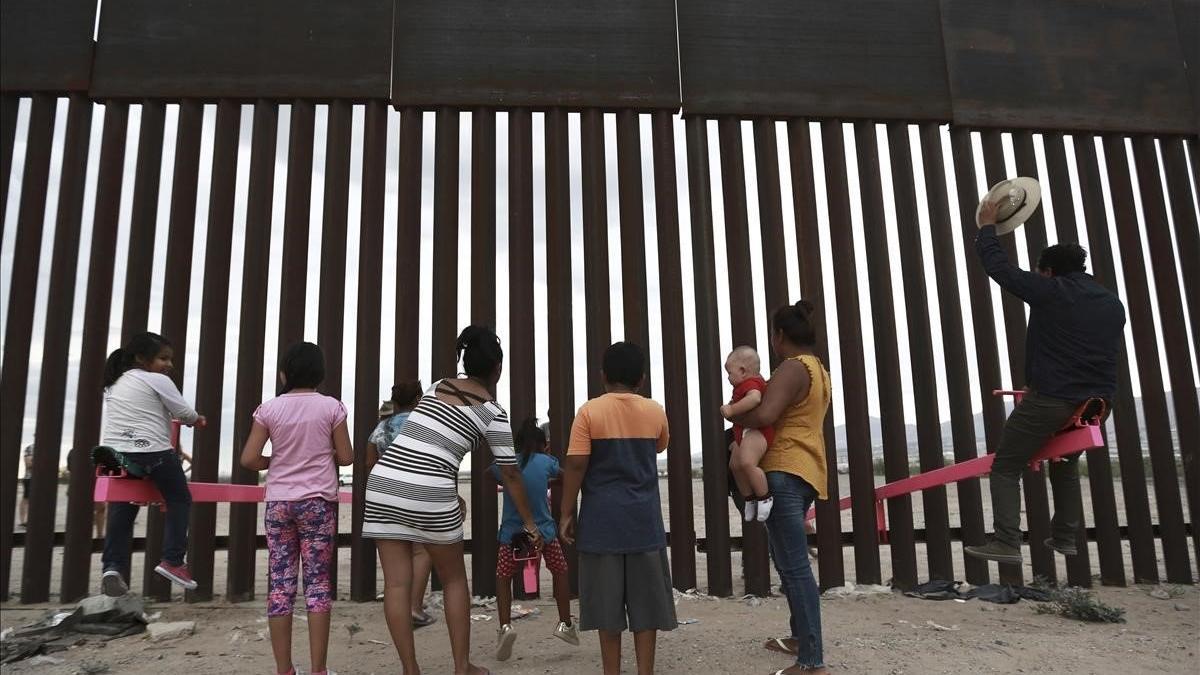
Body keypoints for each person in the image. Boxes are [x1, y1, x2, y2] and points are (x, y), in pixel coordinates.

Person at [363, 325, 542, 675]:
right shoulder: (492, 412)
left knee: (397, 584)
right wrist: (531, 523)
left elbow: (426, 445)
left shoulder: (436, 387)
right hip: (430, 492)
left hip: (382, 483)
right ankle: (463, 667)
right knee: (455, 580)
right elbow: (511, 474)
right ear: (498, 369)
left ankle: (410, 670)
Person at [964, 201, 1125, 565]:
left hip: (1053, 399)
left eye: (1040, 273)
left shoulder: (1054, 292)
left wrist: (987, 227)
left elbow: (1000, 269)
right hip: (1098, 405)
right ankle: (1065, 538)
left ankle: (1006, 542)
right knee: (1065, 465)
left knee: (1006, 466)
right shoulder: (1112, 303)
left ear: (1049, 272)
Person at [727, 301, 831, 674]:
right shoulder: (818, 368)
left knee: (795, 567)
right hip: (805, 468)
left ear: (780, 336)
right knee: (789, 564)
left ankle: (812, 662)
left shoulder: (791, 367)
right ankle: (801, 640)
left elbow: (767, 414)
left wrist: (735, 418)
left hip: (784, 469)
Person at [559, 341, 676, 675]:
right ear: (641, 378)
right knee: (646, 610)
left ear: (603, 376)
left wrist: (566, 512)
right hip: (644, 524)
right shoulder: (655, 410)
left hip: (601, 525)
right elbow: (659, 446)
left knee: (607, 612)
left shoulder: (589, 412)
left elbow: (576, 466)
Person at [240, 342, 353, 675]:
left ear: (283, 374)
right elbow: (346, 457)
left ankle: (285, 670)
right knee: (317, 586)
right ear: (320, 374)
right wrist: (321, 456)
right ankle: (318, 670)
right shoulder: (331, 407)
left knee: (280, 586)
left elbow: (248, 459)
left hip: (279, 504)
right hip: (317, 503)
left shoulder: (269, 409)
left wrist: (277, 460)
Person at [96, 332, 205, 597]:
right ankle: (173, 560)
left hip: (117, 454)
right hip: (153, 452)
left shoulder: (113, 382)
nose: (169, 364)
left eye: (170, 359)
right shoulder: (157, 379)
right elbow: (182, 412)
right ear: (141, 359)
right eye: (163, 358)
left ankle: (112, 567)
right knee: (179, 499)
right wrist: (197, 419)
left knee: (124, 506)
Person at [492, 418, 578, 661]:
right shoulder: (546, 462)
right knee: (559, 571)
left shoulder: (506, 464)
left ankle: (505, 627)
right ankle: (565, 625)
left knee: (503, 577)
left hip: (513, 534)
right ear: (545, 446)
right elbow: (567, 476)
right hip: (544, 533)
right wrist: (546, 481)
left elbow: (492, 475)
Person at [365, 380, 437, 629]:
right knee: (423, 550)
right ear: (418, 399)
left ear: (394, 402)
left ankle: (399, 609)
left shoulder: (381, 428)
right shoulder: (424, 425)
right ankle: (414, 607)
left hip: (386, 495)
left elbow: (368, 463)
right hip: (417, 493)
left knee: (396, 559)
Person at [721, 346, 776, 522]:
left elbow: (754, 399)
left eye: (730, 373)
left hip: (756, 432)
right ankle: (749, 499)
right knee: (735, 465)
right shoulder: (741, 386)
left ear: (743, 371)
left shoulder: (752, 384)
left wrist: (731, 409)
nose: (728, 378)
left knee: (746, 462)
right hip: (743, 432)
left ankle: (764, 496)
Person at [18, 441, 33, 528]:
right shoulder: (30, 448)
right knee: (26, 499)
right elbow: (28, 464)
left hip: (43, 478)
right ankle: (23, 521)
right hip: (29, 478)